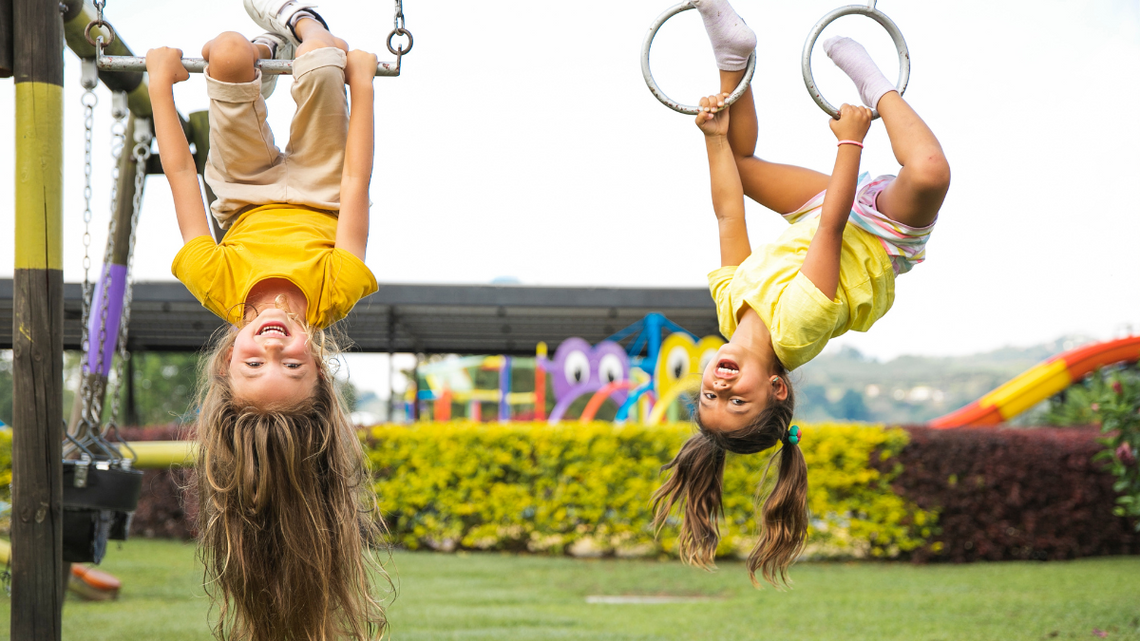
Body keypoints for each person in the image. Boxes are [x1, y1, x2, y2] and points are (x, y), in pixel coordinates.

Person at [652, 0, 950, 587]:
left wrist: (713, 138)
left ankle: (731, 53)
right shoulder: (796, 329)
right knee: (931, 172)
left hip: (818, 212)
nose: (719, 387)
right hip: (879, 237)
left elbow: (726, 210)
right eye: (738, 401)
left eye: (709, 399)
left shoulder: (728, 308)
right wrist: (852, 142)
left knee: (739, 160)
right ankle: (877, 82)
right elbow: (836, 231)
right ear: (776, 387)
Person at [146, 0, 387, 638]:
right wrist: (361, 88)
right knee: (323, 55)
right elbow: (358, 182)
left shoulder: (217, 284)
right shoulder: (337, 289)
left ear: (228, 360)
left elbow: (180, 176)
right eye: (293, 365)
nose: (273, 348)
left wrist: (159, 89)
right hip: (322, 184)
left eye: (255, 364)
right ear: (320, 367)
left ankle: (253, 66)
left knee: (223, 50)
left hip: (243, 189)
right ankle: (300, 20)